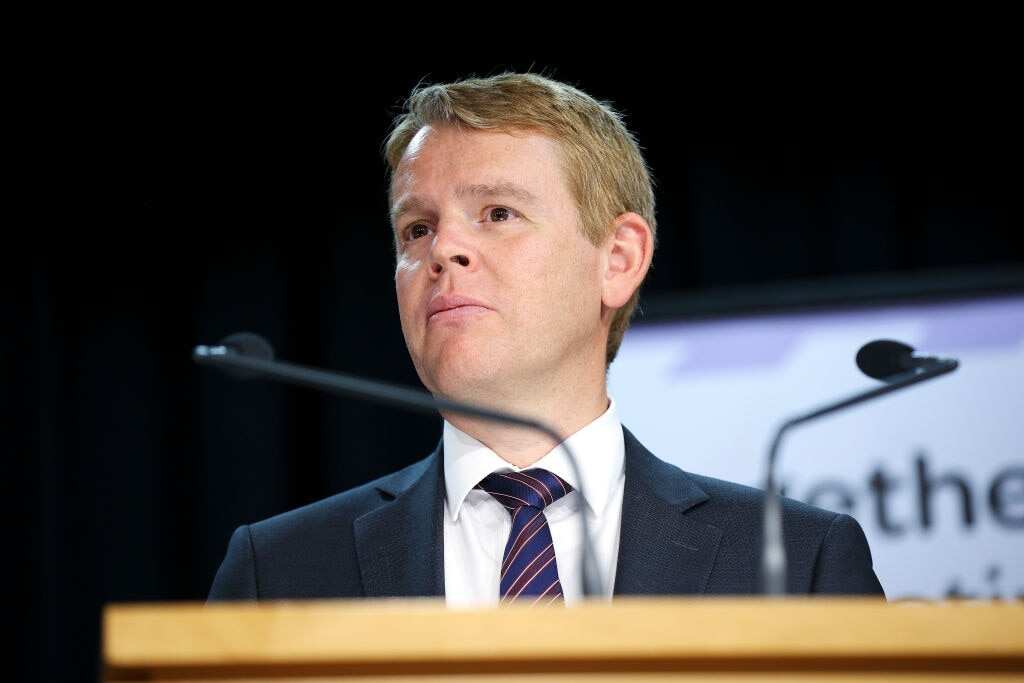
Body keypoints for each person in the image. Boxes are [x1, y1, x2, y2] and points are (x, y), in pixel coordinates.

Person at [208, 73, 884, 605]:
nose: (444, 249)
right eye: (416, 229)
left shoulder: (801, 561)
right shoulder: (281, 570)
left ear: (618, 259)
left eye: (497, 213)